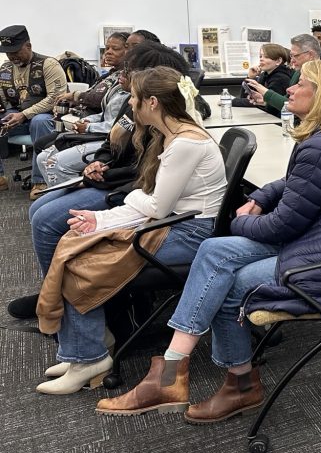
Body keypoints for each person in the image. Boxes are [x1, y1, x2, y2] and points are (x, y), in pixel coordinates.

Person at [94, 61, 321, 421]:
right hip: (320, 240)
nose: (290, 90)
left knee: (229, 284)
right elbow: (298, 184)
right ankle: (172, 371)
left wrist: (239, 221)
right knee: (212, 250)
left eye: (302, 84)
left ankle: (236, 384)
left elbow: (281, 227)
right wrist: (263, 196)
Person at [34, 65, 226, 395]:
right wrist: (101, 221)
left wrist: (113, 212)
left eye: (134, 98)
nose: (130, 104)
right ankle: (87, 348)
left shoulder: (184, 144)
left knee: (80, 261)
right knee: (76, 244)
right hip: (176, 225)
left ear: (152, 102)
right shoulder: (177, 135)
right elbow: (153, 202)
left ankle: (89, 357)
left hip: (188, 234)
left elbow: (155, 206)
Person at [8, 44, 197, 321]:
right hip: (115, 180)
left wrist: (105, 176)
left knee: (46, 219)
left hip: (128, 189)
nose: (121, 74)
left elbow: (143, 172)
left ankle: (61, 302)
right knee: (38, 209)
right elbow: (113, 142)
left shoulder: (164, 120)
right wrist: (100, 161)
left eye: (128, 70)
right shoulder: (133, 103)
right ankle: (54, 291)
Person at [34, 42, 131, 189]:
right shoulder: (114, 80)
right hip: (97, 131)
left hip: (103, 137)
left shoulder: (130, 94)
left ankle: (70, 199)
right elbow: (104, 113)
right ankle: (54, 193)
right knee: (42, 157)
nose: (108, 52)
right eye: (107, 48)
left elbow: (102, 108)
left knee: (52, 161)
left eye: (115, 48)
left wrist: (87, 124)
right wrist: (87, 120)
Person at [0, 25, 69, 193]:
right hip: (17, 115)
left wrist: (24, 115)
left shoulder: (49, 64)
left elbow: (55, 98)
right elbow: (3, 98)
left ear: (29, 46)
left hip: (49, 117)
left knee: (39, 121)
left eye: (16, 51)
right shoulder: (5, 69)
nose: (12, 56)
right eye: (8, 52)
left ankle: (40, 181)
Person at [244, 34, 317, 114]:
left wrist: (266, 93)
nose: (292, 61)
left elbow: (305, 108)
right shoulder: (297, 73)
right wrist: (265, 101)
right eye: (291, 56)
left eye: (295, 56)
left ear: (310, 55)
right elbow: (287, 102)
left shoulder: (318, 75)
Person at [234, 43, 292, 117]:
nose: (261, 59)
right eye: (260, 56)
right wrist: (250, 77)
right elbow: (246, 98)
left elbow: (270, 106)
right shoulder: (264, 75)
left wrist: (230, 101)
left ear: (278, 61)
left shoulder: (281, 78)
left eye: (266, 57)